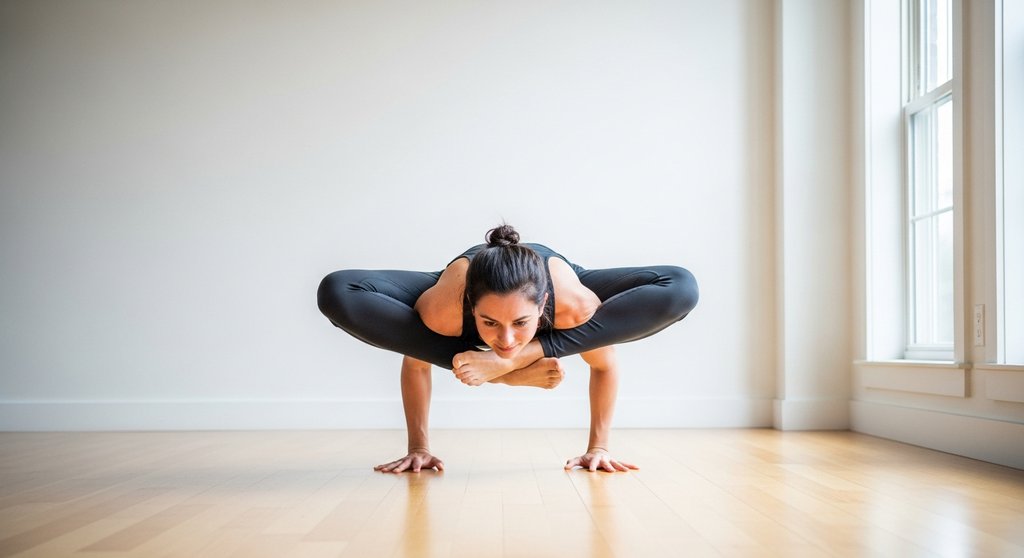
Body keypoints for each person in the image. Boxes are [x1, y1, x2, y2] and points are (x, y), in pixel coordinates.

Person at [317, 224, 698, 473]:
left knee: (682, 287)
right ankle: (505, 369)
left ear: (543, 305)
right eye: (489, 324)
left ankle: (510, 360)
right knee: (335, 291)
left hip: (554, 282)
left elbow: (603, 365)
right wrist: (419, 446)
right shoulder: (442, 311)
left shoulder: (573, 305)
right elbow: (416, 365)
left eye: (521, 324)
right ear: (470, 308)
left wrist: (598, 447)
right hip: (462, 287)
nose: (506, 339)